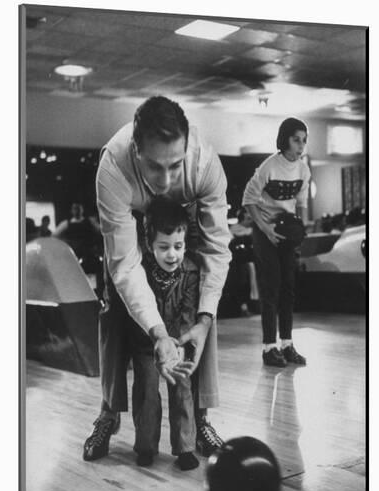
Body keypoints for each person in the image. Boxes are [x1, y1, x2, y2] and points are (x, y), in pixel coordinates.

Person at [83, 96, 232, 461]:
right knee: (113, 309)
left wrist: (203, 319)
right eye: (154, 167)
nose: (165, 182)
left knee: (202, 313)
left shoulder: (205, 164)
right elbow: (125, 266)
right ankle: (108, 413)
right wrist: (159, 334)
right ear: (136, 150)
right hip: (135, 234)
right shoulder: (113, 167)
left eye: (175, 166)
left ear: (187, 150)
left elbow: (216, 249)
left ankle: (200, 420)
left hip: (180, 229)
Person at [126, 197, 201, 470]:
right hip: (147, 343)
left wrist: (179, 343)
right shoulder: (140, 270)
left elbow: (189, 311)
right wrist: (155, 340)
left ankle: (185, 448)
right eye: (164, 247)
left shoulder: (190, 271)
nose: (172, 255)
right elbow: (136, 308)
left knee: (182, 387)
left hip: (177, 342)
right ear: (149, 245)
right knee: (146, 389)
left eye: (178, 247)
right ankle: (146, 446)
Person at [242, 117, 311, 368]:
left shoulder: (303, 170)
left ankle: (287, 344)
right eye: (296, 140)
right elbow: (248, 199)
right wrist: (265, 228)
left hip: (286, 230)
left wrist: (300, 234)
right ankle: (269, 348)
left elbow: (301, 205)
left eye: (304, 140)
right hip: (264, 230)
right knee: (270, 287)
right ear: (285, 140)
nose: (301, 145)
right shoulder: (268, 167)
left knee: (289, 288)